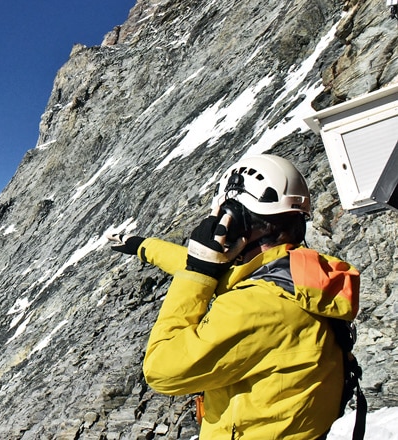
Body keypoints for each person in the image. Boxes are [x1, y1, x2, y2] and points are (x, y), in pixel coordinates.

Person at [108, 154, 360, 439]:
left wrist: (197, 274)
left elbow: (161, 370)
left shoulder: (257, 304)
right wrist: (144, 246)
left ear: (236, 221)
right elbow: (220, 274)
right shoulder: (298, 276)